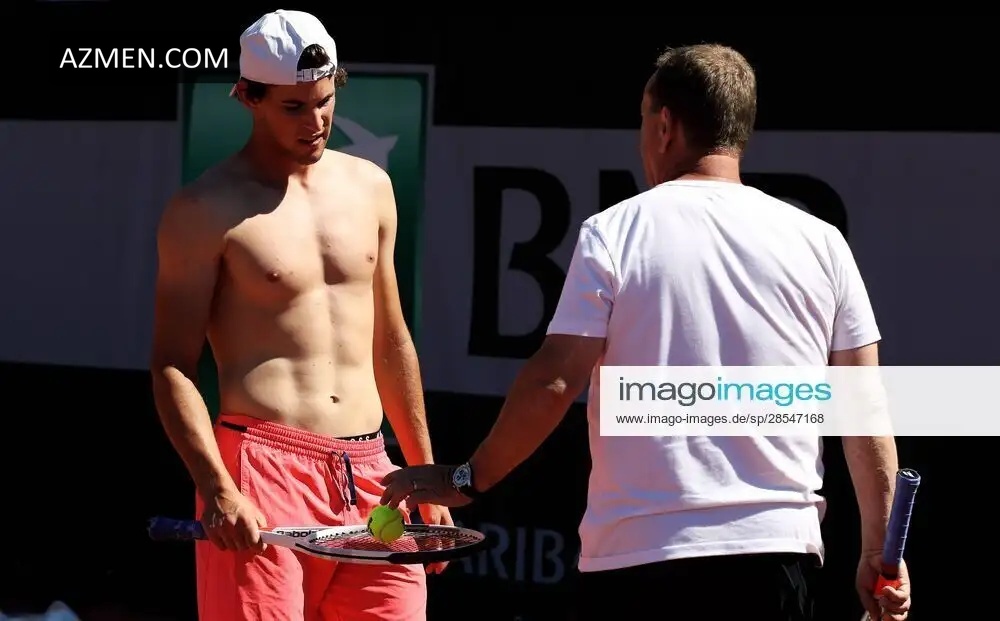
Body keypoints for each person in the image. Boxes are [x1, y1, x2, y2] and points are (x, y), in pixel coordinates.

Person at [379, 44, 912, 621]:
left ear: (664, 127)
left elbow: (554, 381)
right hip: (776, 555)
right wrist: (879, 551)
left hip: (640, 561)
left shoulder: (613, 233)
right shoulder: (823, 243)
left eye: (641, 119)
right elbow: (863, 408)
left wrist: (468, 478)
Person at [149, 10, 449, 621]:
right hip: (260, 471)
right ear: (247, 96)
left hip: (374, 477)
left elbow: (391, 340)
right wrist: (215, 486)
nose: (314, 122)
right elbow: (172, 365)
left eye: (324, 101)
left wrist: (422, 473)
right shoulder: (203, 208)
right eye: (292, 107)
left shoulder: (371, 185)